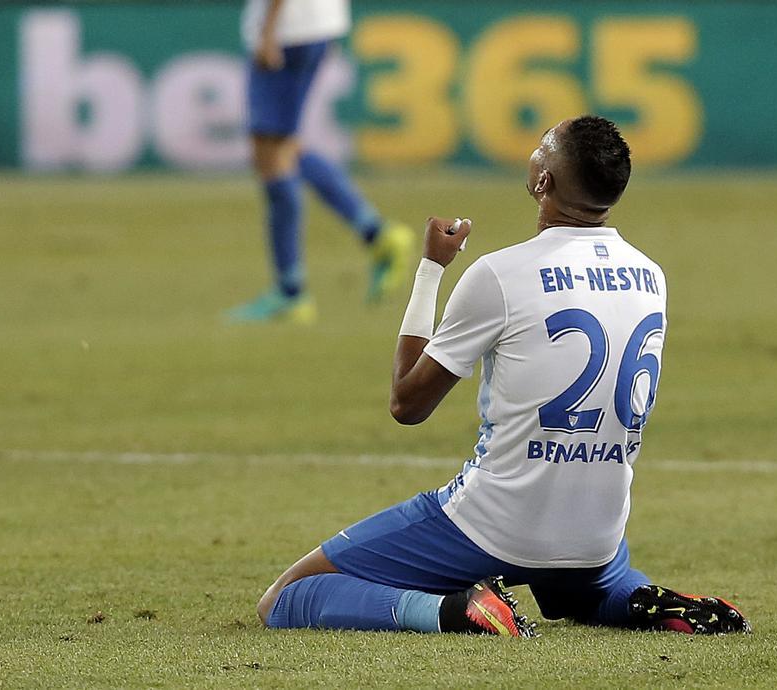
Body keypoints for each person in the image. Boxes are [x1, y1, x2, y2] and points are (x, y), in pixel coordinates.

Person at [256, 116, 751, 637]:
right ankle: (638, 600)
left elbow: (407, 404)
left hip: (495, 527)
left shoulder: (501, 274)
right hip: (596, 539)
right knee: (579, 584)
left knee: (286, 598)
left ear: (544, 182)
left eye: (542, 148)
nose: (534, 154)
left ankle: (454, 611)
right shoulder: (652, 275)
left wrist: (430, 270)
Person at [228, 0, 412, 324]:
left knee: (272, 154)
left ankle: (291, 291)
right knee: (282, 147)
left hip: (287, 27)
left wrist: (268, 30)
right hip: (316, 23)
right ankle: (376, 234)